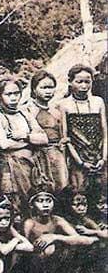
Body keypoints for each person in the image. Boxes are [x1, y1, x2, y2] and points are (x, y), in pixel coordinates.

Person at [22, 185, 97, 273]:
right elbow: (23, 247)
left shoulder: (57, 220)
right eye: (40, 201)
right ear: (32, 205)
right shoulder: (30, 223)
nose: (45, 205)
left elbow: (82, 239)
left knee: (68, 245)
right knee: (48, 249)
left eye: (48, 201)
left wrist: (55, 237)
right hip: (33, 258)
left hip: (52, 256)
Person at [0, 77, 48, 214]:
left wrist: (24, 136)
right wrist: (30, 142)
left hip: (31, 166)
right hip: (10, 168)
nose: (13, 98)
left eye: (16, 93)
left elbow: (44, 139)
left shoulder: (25, 114)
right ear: (0, 96)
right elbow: (4, 144)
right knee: (14, 203)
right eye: (8, 94)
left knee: (33, 200)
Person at [56, 64, 107, 192]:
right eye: (79, 82)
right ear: (70, 82)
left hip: (99, 157)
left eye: (87, 82)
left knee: (102, 193)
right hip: (77, 158)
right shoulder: (64, 105)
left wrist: (103, 158)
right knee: (80, 192)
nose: (84, 86)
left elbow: (105, 133)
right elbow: (65, 137)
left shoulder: (98, 102)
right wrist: (81, 162)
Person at [24, 71, 69, 192]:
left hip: (57, 155)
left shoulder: (57, 110)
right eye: (44, 88)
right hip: (38, 154)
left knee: (61, 187)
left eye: (51, 87)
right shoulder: (29, 110)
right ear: (34, 89)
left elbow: (62, 134)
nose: (48, 91)